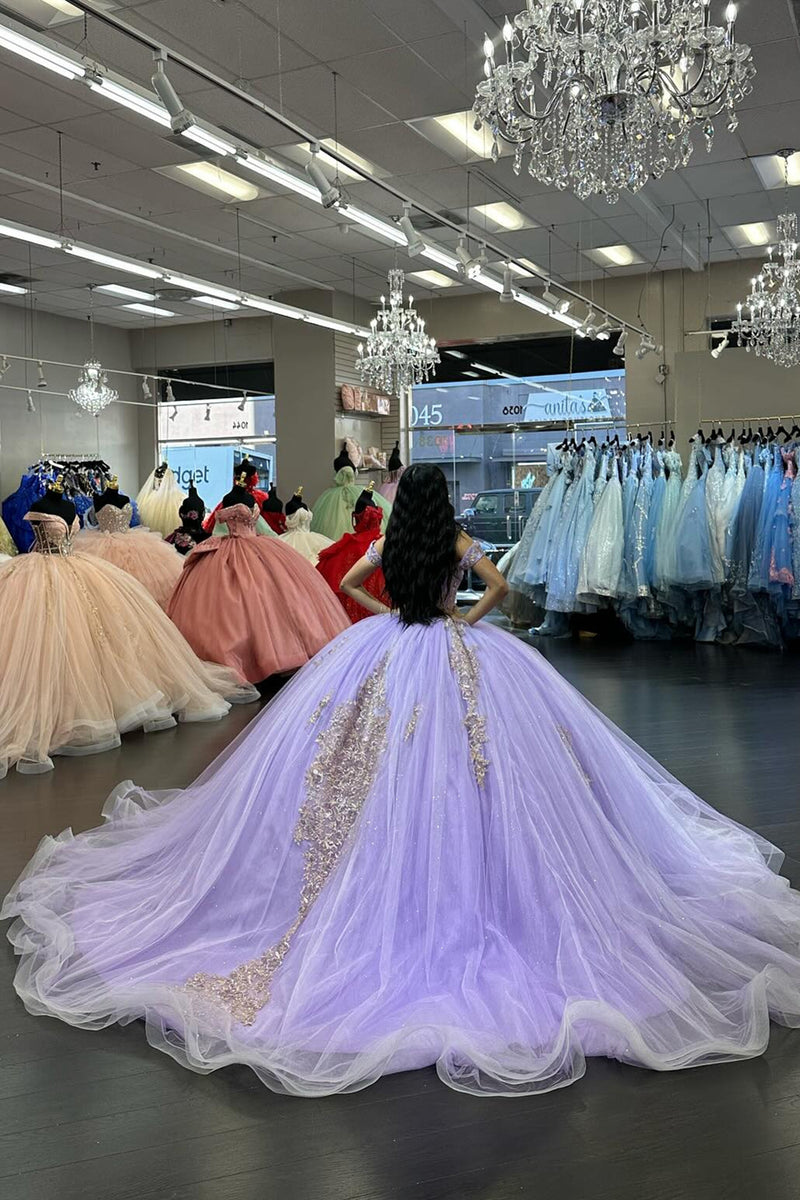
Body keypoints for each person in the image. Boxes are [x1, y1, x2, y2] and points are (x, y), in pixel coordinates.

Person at [5, 464, 800, 1099]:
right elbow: (504, 588)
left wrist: (388, 614)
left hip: (389, 649)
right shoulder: (454, 539)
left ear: (401, 504)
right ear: (444, 501)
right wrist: (466, 619)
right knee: (480, 775)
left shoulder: (393, 542)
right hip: (453, 654)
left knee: (360, 773)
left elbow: (351, 586)